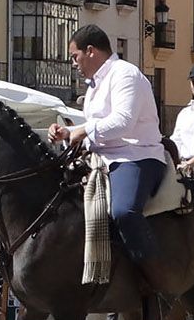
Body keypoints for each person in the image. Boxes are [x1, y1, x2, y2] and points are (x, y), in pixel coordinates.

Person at [49, 24, 169, 275]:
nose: (73, 63)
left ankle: (155, 276)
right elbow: (93, 131)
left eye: (75, 56)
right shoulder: (93, 86)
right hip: (102, 159)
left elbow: (123, 122)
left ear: (90, 51)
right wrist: (67, 134)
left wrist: (81, 130)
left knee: (123, 211)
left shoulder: (125, 74)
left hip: (136, 156)